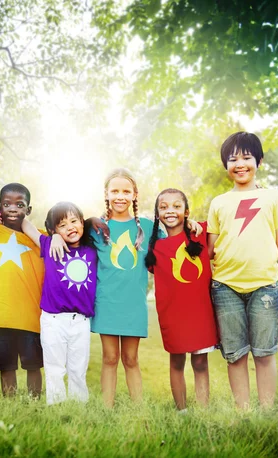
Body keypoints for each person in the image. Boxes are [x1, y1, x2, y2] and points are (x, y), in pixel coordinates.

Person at [207, 131, 278, 409]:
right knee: (235, 355)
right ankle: (243, 413)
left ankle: (266, 412)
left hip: (264, 287)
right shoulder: (218, 202)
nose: (240, 164)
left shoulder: (273, 197)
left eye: (246, 157)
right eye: (233, 159)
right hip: (225, 288)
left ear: (259, 160)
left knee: (264, 353)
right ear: (226, 166)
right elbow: (209, 249)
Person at [89, 168, 159, 408]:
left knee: (131, 359)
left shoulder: (148, 227)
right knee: (109, 358)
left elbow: (175, 235)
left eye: (126, 191)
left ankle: (137, 410)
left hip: (133, 305)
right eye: (115, 191)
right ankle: (106, 410)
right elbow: (64, 229)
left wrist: (191, 223)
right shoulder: (96, 228)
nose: (120, 196)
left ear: (135, 195)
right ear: (106, 194)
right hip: (106, 302)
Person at [145, 188, 218, 411]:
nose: (170, 211)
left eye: (177, 206)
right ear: (157, 214)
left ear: (186, 212)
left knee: (200, 362)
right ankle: (182, 411)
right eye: (163, 206)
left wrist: (194, 224)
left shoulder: (200, 233)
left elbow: (223, 221)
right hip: (172, 315)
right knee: (176, 362)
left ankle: (203, 411)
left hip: (200, 312)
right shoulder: (154, 247)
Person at [21, 202, 97, 405]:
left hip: (80, 321)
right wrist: (52, 236)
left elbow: (99, 226)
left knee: (78, 368)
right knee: (54, 367)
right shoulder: (49, 245)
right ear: (54, 230)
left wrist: (90, 221)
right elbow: (27, 226)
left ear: (82, 223)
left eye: (74, 221)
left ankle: (78, 406)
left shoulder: (92, 250)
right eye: (62, 225)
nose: (70, 227)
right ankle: (56, 406)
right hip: (53, 320)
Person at [0, 183, 44, 398]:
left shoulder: (40, 238)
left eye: (20, 205)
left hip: (31, 316)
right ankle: (10, 405)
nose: (13, 209)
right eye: (7, 204)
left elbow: (68, 233)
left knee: (33, 364)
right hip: (2, 315)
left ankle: (34, 402)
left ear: (28, 211)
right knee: (6, 366)